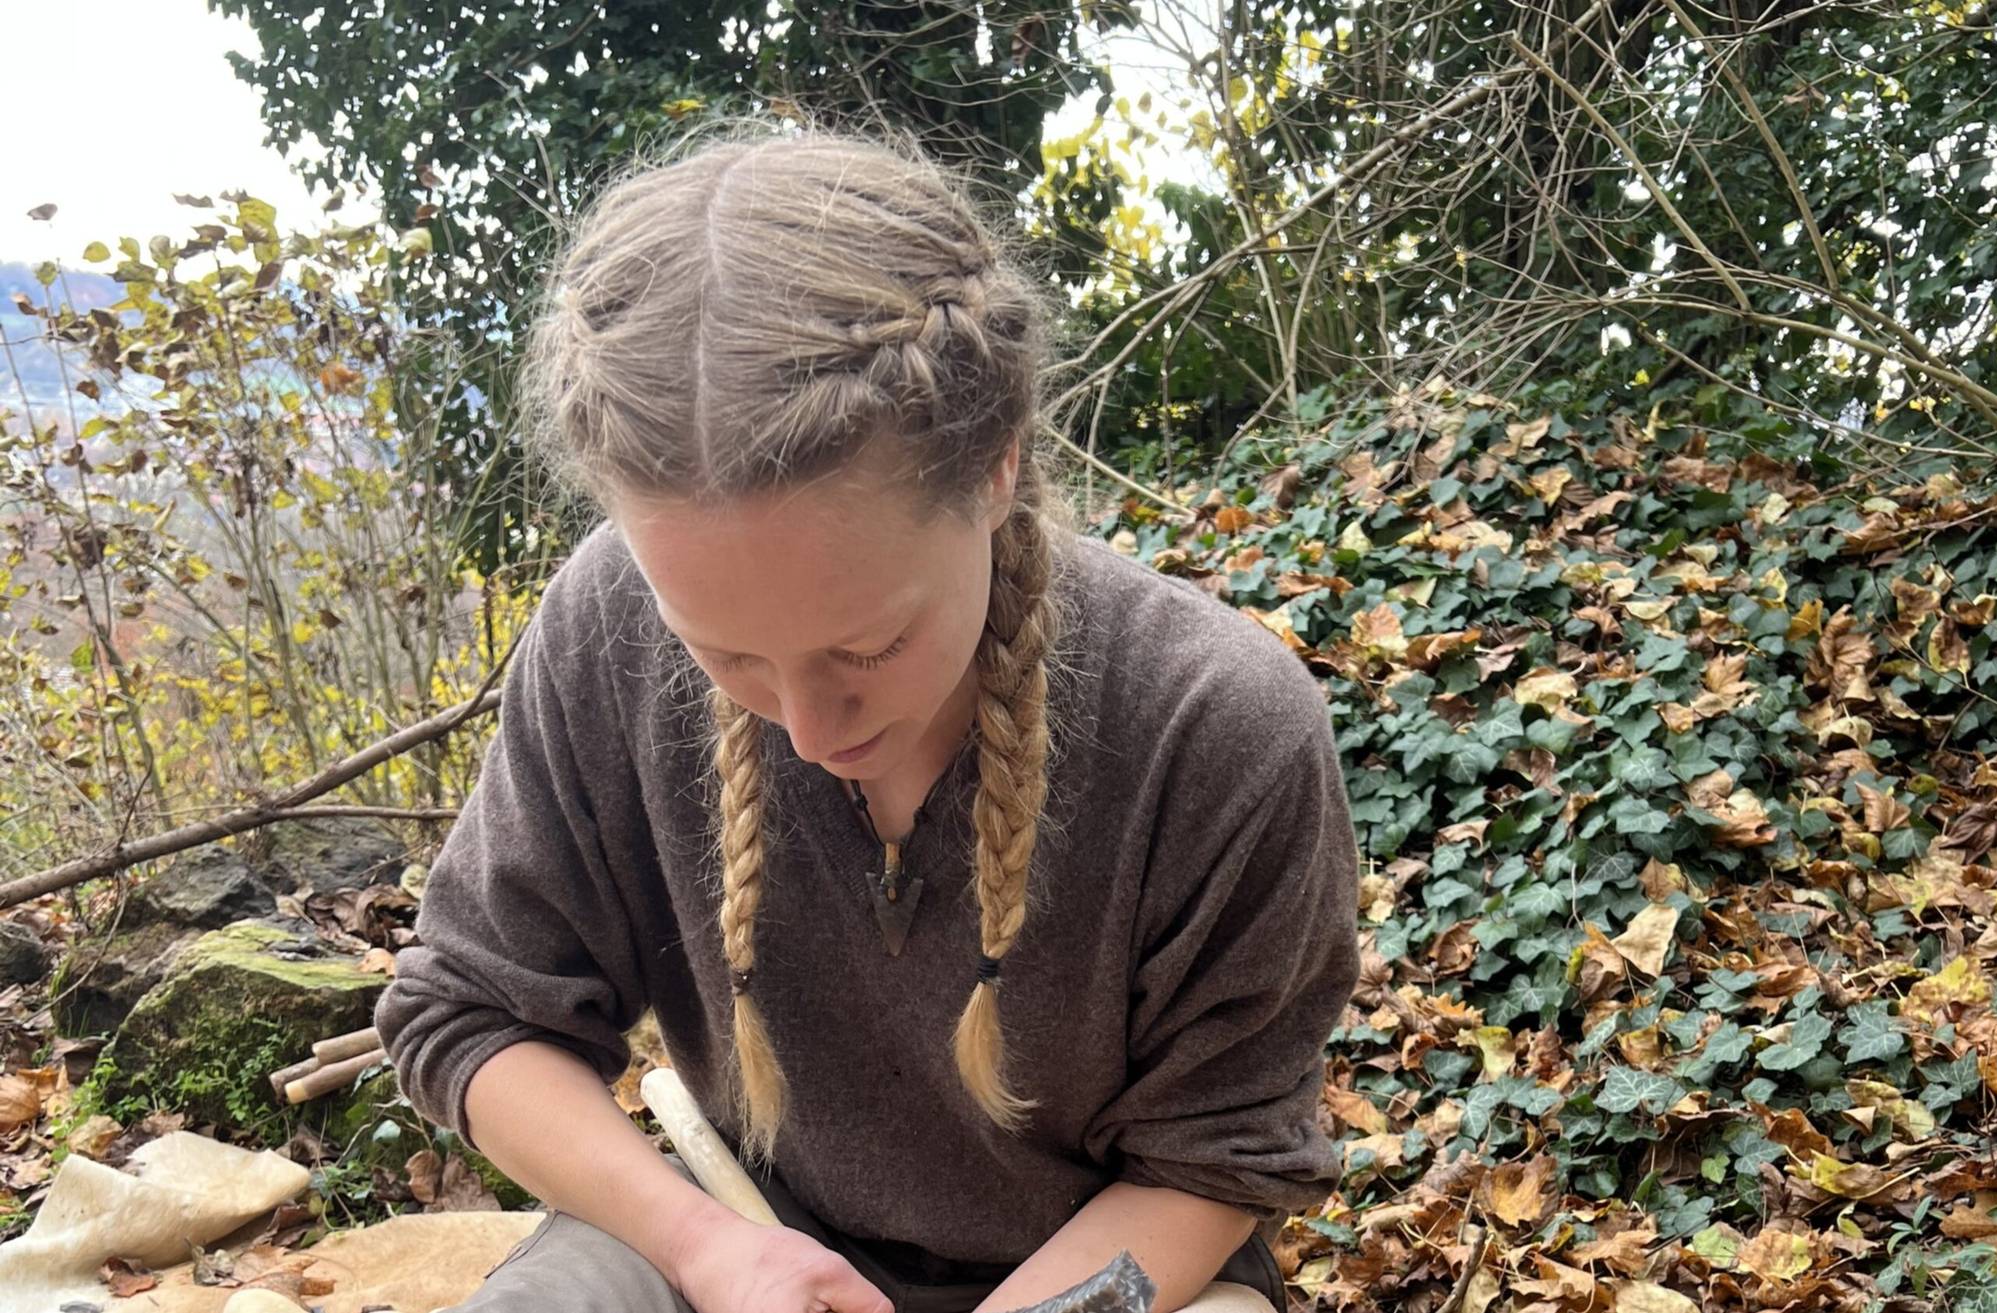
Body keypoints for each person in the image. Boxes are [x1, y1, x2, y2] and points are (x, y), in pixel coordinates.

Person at [373, 119, 1360, 1313]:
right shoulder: (605, 622)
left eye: (869, 646)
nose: (807, 729)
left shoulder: (1217, 724)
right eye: (724, 652)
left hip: (1100, 1272)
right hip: (737, 1244)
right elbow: (469, 1011)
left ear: (996, 464)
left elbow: (1213, 1162)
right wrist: (708, 1247)